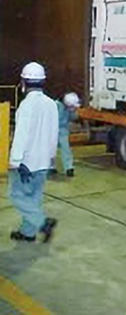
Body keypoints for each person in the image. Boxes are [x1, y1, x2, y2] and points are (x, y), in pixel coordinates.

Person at [8, 62, 59, 242]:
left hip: (26, 163)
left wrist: (15, 161)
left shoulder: (27, 105)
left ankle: (42, 223)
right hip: (43, 161)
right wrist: (51, 158)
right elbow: (54, 134)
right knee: (34, 197)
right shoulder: (51, 104)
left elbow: (21, 135)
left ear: (24, 82)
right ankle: (27, 233)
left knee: (16, 196)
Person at [55, 92, 81, 177]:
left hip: (63, 129)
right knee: (50, 149)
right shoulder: (56, 105)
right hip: (52, 128)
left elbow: (73, 117)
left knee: (65, 148)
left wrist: (74, 112)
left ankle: (69, 167)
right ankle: (49, 167)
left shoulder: (68, 108)